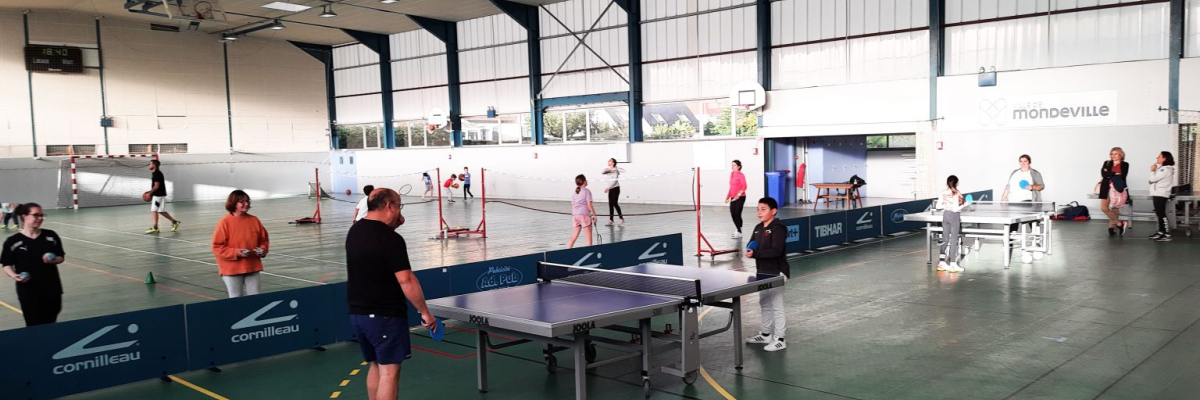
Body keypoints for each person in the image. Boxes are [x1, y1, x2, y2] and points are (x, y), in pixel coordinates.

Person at [345, 188, 436, 400]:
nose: (399, 210)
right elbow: (406, 280)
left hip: (358, 314)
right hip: (384, 316)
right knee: (390, 372)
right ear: (389, 206)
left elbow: (376, 247)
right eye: (399, 206)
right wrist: (424, 312)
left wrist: (393, 225)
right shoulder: (390, 239)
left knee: (376, 365)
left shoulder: (355, 230)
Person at [1, 203, 66, 326]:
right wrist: (14, 275)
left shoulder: (51, 236)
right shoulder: (12, 241)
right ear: (24, 216)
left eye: (42, 215)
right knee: (33, 324)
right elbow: (6, 265)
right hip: (28, 292)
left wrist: (53, 260)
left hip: (52, 289)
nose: (40, 218)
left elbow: (61, 257)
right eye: (36, 215)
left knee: (51, 322)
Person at [743, 197, 789, 352]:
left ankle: (780, 339)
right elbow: (751, 244)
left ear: (773, 211)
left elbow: (776, 251)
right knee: (765, 303)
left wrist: (756, 254)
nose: (759, 212)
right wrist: (750, 251)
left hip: (777, 272)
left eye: (763, 209)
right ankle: (766, 334)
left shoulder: (778, 228)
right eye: (758, 209)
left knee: (777, 305)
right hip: (762, 272)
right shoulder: (758, 228)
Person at [211, 190, 270, 298]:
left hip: (252, 267)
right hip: (231, 269)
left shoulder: (254, 220)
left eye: (247, 201)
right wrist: (237, 252)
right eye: (242, 202)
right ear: (233, 203)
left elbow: (264, 240)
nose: (246, 204)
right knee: (236, 298)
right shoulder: (224, 222)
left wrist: (262, 250)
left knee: (255, 298)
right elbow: (217, 247)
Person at [936, 176, 968, 273]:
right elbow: (955, 209)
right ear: (956, 183)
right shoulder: (956, 193)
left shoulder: (943, 193)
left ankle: (941, 263)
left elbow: (938, 206)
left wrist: (946, 205)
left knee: (945, 239)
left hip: (945, 215)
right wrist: (965, 204)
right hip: (954, 216)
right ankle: (953, 264)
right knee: (954, 240)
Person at [1099, 147, 1131, 236]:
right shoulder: (1107, 163)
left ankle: (1112, 228)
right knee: (1104, 208)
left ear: (1121, 155)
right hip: (1106, 187)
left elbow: (1122, 176)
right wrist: (1114, 173)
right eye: (1111, 154)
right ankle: (1119, 224)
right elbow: (1103, 174)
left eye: (1115, 154)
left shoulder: (1125, 164)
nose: (1113, 155)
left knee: (1114, 208)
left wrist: (1109, 174)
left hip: (1117, 188)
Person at [145, 159, 180, 234]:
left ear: (154, 165)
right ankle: (175, 222)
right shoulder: (156, 173)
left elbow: (156, 186)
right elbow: (155, 186)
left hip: (158, 195)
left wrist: (150, 193)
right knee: (160, 210)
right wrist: (150, 192)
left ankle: (155, 228)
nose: (149, 165)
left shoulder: (157, 174)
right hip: (159, 194)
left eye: (150, 164)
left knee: (154, 210)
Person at [1148, 151, 1176, 242]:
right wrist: (1152, 179)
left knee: (1161, 214)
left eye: (1159, 156)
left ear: (1164, 159)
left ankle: (1167, 234)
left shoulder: (1165, 169)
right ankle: (1161, 232)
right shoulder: (1162, 169)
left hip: (1161, 194)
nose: (1157, 158)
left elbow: (1152, 179)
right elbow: (1151, 181)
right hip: (1157, 193)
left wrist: (1152, 171)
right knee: (1159, 214)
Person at [566, 174, 598, 249]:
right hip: (584, 215)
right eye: (586, 180)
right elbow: (589, 205)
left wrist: (575, 215)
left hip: (575, 216)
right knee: (588, 238)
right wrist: (594, 215)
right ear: (584, 181)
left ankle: (566, 251)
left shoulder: (575, 193)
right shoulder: (587, 191)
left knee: (573, 237)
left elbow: (573, 205)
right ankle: (589, 253)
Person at [726, 160, 748, 239]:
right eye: (732, 165)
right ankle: (738, 229)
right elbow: (731, 187)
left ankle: (739, 231)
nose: (733, 166)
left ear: (739, 167)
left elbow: (744, 186)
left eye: (734, 165)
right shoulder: (732, 174)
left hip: (741, 197)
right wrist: (728, 196)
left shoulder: (741, 175)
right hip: (733, 197)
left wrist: (739, 194)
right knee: (733, 214)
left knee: (737, 214)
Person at [602, 158, 625, 226]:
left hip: (615, 188)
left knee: (615, 203)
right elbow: (602, 172)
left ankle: (621, 219)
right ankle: (611, 220)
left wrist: (608, 188)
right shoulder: (608, 170)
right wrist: (608, 170)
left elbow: (614, 181)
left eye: (610, 161)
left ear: (613, 163)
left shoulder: (615, 170)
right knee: (610, 204)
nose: (608, 161)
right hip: (611, 189)